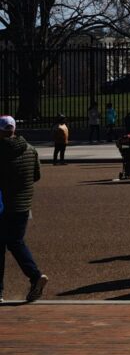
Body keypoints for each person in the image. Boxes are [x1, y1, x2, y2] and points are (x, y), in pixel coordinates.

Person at [0, 116, 50, 303]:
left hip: (3, 204)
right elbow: (36, 176)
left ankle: (4, 289)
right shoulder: (30, 149)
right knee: (16, 242)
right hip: (22, 204)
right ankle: (34, 276)